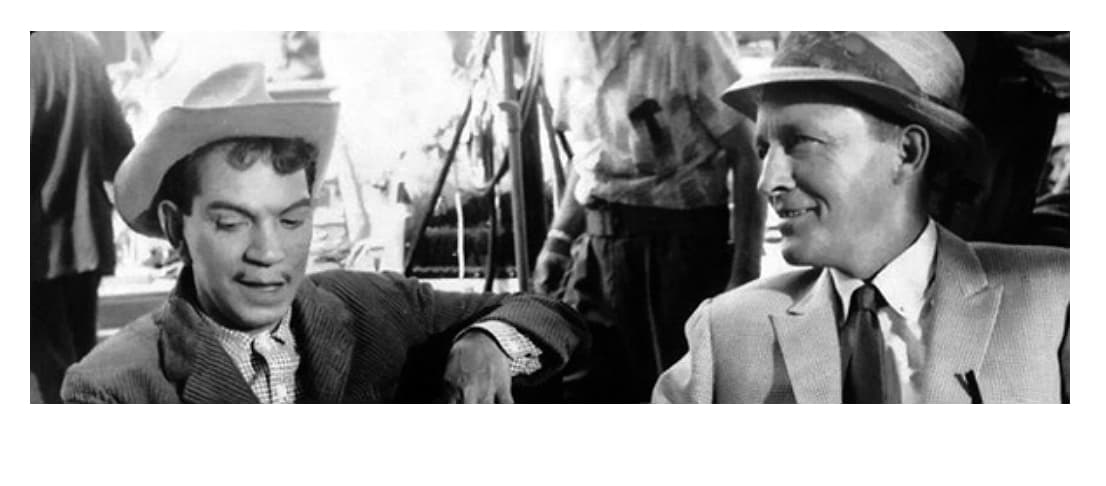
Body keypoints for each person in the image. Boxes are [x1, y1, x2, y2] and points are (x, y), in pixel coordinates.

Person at [62, 63, 585, 404]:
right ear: (176, 227)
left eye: (292, 220)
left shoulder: (373, 306)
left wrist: (485, 342)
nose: (270, 252)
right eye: (232, 222)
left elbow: (547, 313)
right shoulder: (111, 390)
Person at [653, 31, 1069, 404]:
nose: (768, 181)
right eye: (764, 150)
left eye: (801, 142)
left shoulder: (1058, 300)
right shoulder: (726, 331)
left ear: (907, 153)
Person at [534, 32, 764, 403]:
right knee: (584, 391)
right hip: (598, 248)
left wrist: (745, 273)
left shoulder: (689, 36)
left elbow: (748, 151)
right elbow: (590, 154)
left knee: (679, 394)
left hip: (680, 252)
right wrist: (557, 239)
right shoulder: (564, 40)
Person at [31, 32, 135, 403]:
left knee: (53, 377)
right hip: (84, 236)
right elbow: (119, 144)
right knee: (80, 368)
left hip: (34, 245)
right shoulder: (84, 48)